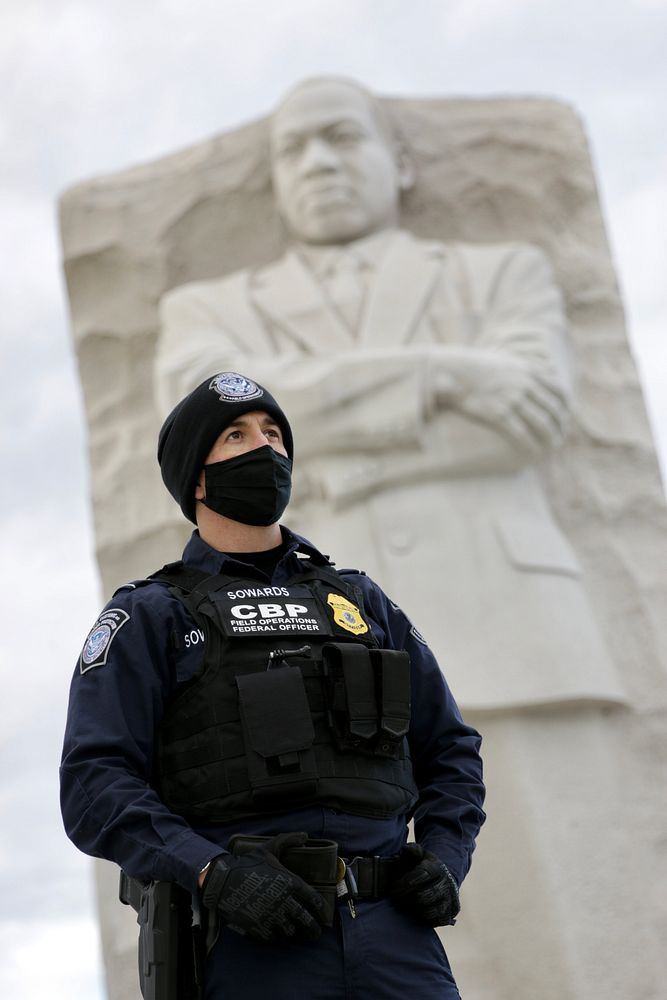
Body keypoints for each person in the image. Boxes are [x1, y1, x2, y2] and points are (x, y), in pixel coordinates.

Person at [61, 370, 486, 1000]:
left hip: (396, 939)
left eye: (273, 433)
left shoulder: (361, 601)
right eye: (236, 436)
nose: (265, 449)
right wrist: (210, 873)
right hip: (247, 939)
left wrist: (446, 858)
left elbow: (450, 751)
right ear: (197, 479)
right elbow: (94, 785)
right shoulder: (151, 616)